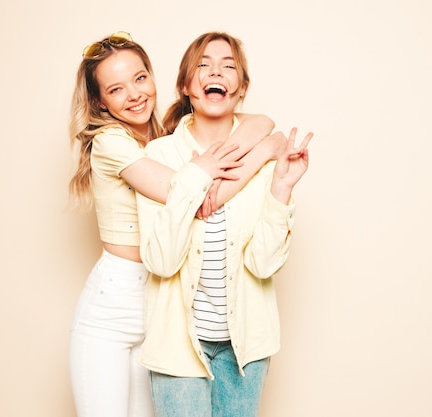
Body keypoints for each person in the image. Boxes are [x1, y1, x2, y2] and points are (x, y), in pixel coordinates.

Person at [67, 31, 283, 417]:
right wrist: (263, 152)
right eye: (116, 89)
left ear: (154, 77)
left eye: (140, 78)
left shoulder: (165, 138)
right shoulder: (111, 143)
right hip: (114, 303)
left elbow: (258, 120)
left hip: (162, 304)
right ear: (100, 101)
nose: (134, 94)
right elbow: (195, 197)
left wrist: (267, 134)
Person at [136, 31, 312, 417]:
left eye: (228, 66)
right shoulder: (158, 156)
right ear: (185, 85)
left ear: (241, 88)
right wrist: (193, 181)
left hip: (245, 348)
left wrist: (281, 186)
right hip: (178, 347)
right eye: (203, 64)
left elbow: (263, 265)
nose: (215, 71)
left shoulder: (268, 161)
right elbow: (161, 262)